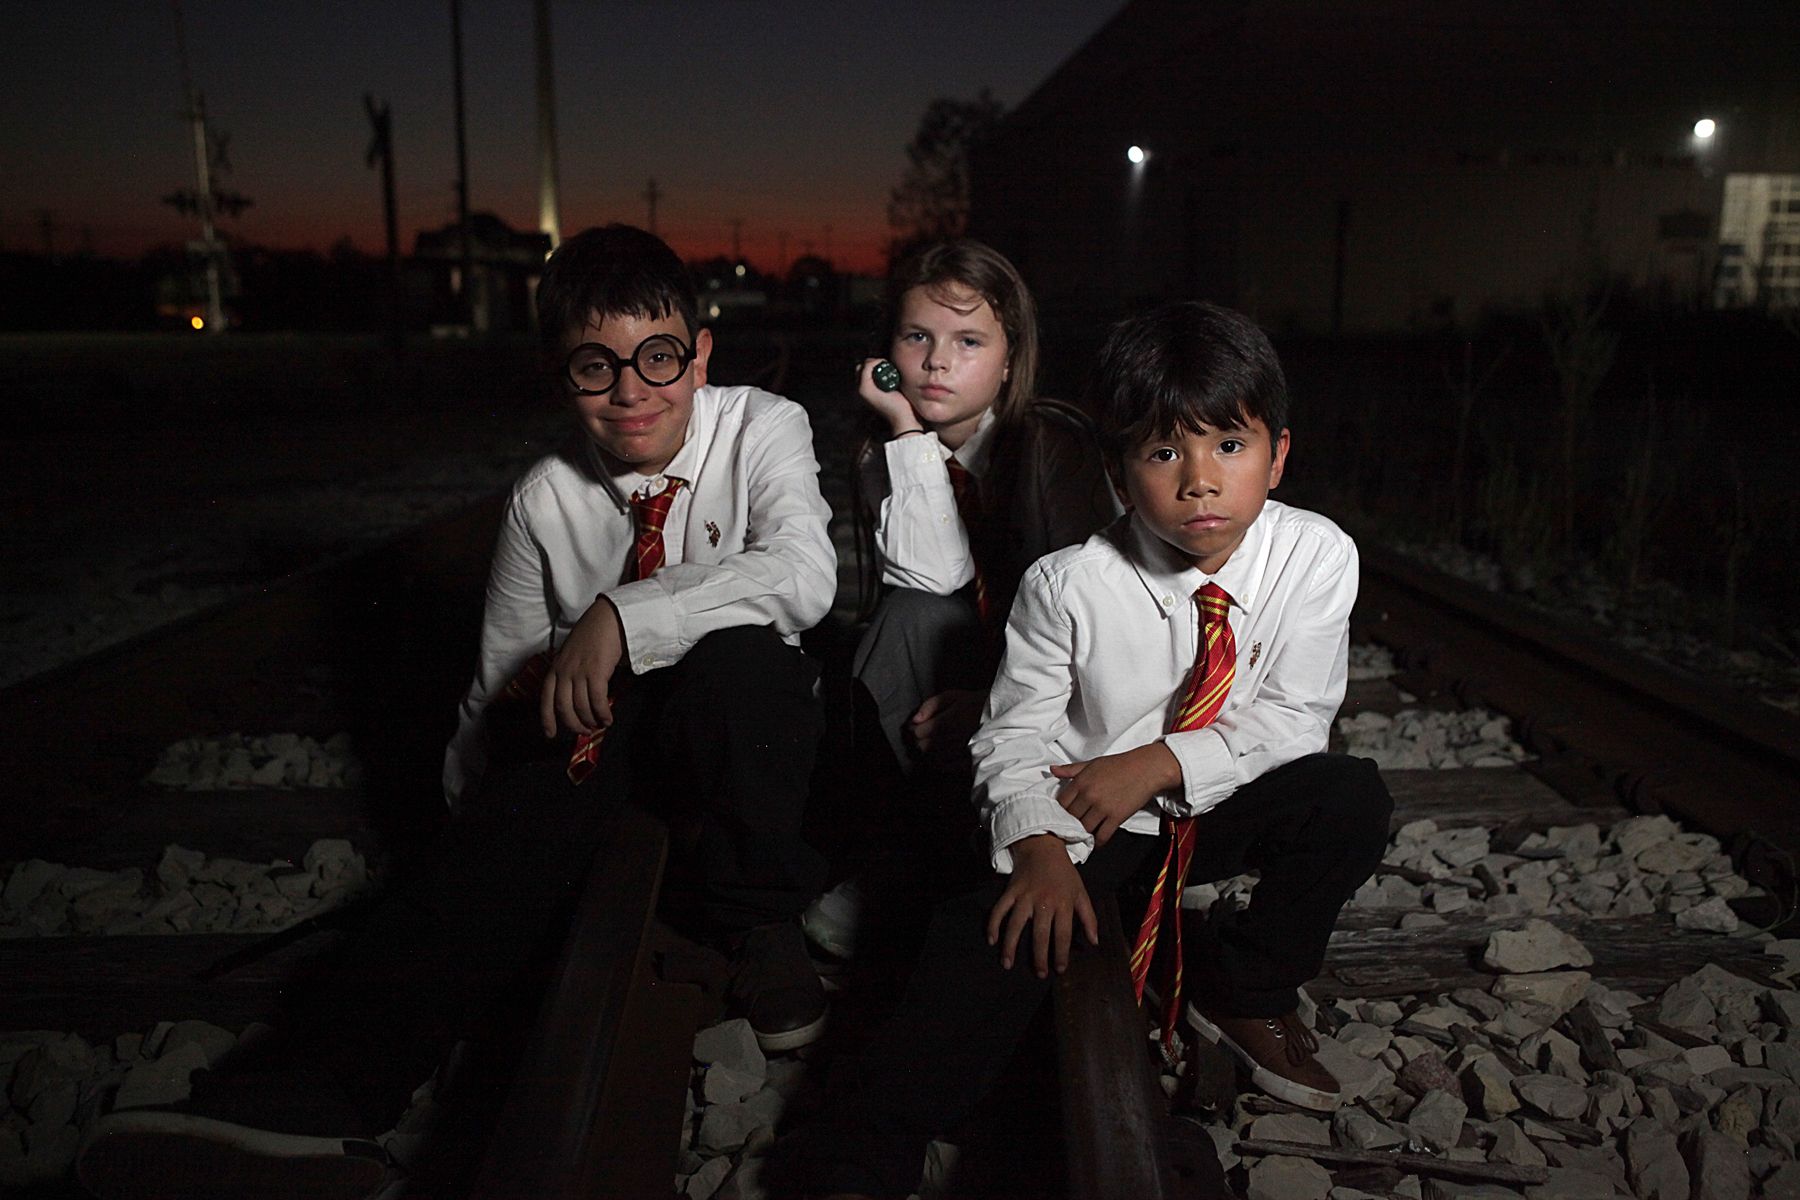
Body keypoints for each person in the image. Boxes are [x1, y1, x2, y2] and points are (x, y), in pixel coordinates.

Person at [76, 224, 838, 1200]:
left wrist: (621, 612)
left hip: (748, 758)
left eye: (657, 357)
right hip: (617, 760)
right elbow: (493, 693)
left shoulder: (763, 426)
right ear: (560, 375)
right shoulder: (543, 502)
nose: (631, 390)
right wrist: (477, 849)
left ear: (699, 355)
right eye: (595, 365)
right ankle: (307, 1096)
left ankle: (759, 920)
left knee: (742, 655)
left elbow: (805, 575)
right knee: (529, 781)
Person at [786, 301, 1393, 1199]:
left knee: (1349, 798)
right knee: (990, 943)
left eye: (1230, 446)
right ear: (1117, 471)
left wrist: (1159, 762)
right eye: (1163, 454)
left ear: (1278, 457)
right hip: (1087, 815)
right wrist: (1036, 846)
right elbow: (1010, 735)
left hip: (1209, 801)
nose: (1200, 482)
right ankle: (866, 1152)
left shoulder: (1316, 555)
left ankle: (1244, 986)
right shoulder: (1068, 584)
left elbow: (1295, 720)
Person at [804, 239, 1118, 958]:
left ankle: (945, 867)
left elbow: (1100, 622)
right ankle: (914, 864)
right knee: (905, 620)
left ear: (1009, 360)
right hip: (943, 678)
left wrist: (998, 706)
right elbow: (930, 579)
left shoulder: (1052, 443)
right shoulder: (884, 450)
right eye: (917, 337)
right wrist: (907, 433)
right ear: (887, 352)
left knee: (915, 627)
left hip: (1062, 690)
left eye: (968, 341)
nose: (936, 363)